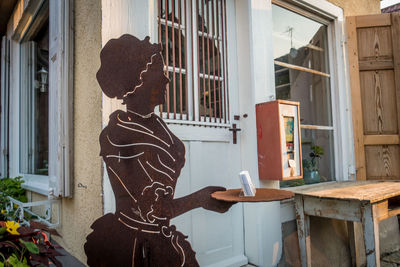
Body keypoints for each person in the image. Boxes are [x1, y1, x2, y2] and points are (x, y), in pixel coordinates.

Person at [84, 34, 234, 267]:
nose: (166, 80)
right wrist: (201, 199)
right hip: (136, 246)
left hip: (161, 237)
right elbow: (151, 209)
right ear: (136, 79)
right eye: (158, 71)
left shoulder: (155, 124)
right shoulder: (118, 135)